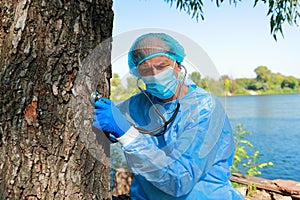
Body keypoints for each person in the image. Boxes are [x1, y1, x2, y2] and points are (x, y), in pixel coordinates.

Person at [92, 33, 244, 199]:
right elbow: (108, 119)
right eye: (146, 70)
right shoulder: (138, 105)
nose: (155, 74)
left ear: (178, 65)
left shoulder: (205, 109)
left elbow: (181, 181)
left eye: (162, 66)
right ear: (138, 74)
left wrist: (127, 135)